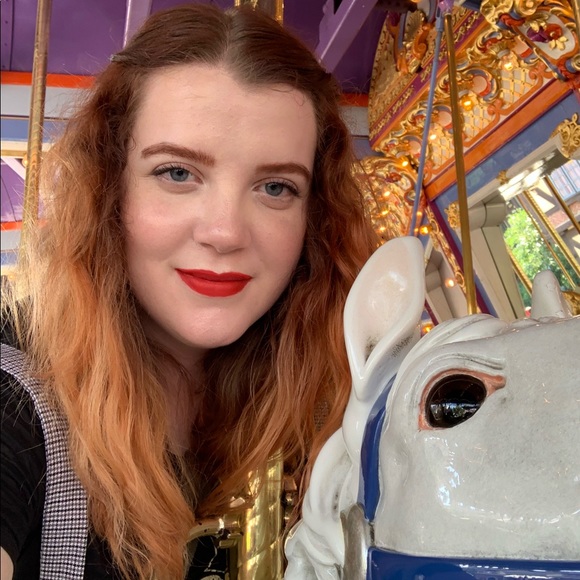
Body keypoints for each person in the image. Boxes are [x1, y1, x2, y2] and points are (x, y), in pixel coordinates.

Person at [0, 4, 377, 579]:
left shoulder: (329, 408)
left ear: (315, 219)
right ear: (110, 190)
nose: (225, 232)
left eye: (276, 187)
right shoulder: (18, 397)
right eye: (177, 173)